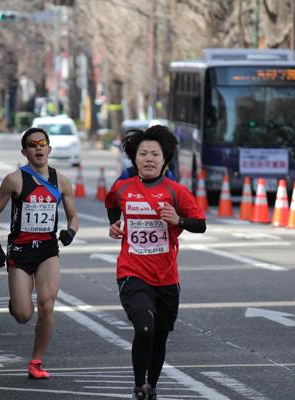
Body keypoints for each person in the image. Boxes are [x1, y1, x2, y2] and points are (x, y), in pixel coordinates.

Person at [104, 125, 206, 400]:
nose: (148, 159)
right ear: (134, 158)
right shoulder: (123, 187)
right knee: (145, 329)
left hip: (166, 277)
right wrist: (115, 224)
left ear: (165, 159)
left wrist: (179, 220)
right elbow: (111, 203)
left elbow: (200, 225)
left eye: (155, 154)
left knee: (159, 335)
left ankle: (152, 385)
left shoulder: (176, 192)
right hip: (132, 272)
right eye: (143, 154)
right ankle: (139, 385)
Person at [0, 127, 79, 379]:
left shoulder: (61, 181)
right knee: (23, 315)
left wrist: (70, 232)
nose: (38, 148)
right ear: (24, 151)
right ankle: (17, 303)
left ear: (49, 149)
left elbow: (73, 217)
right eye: (32, 144)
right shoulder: (15, 179)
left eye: (42, 144)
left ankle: (36, 361)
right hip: (20, 250)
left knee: (47, 305)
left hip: (48, 250)